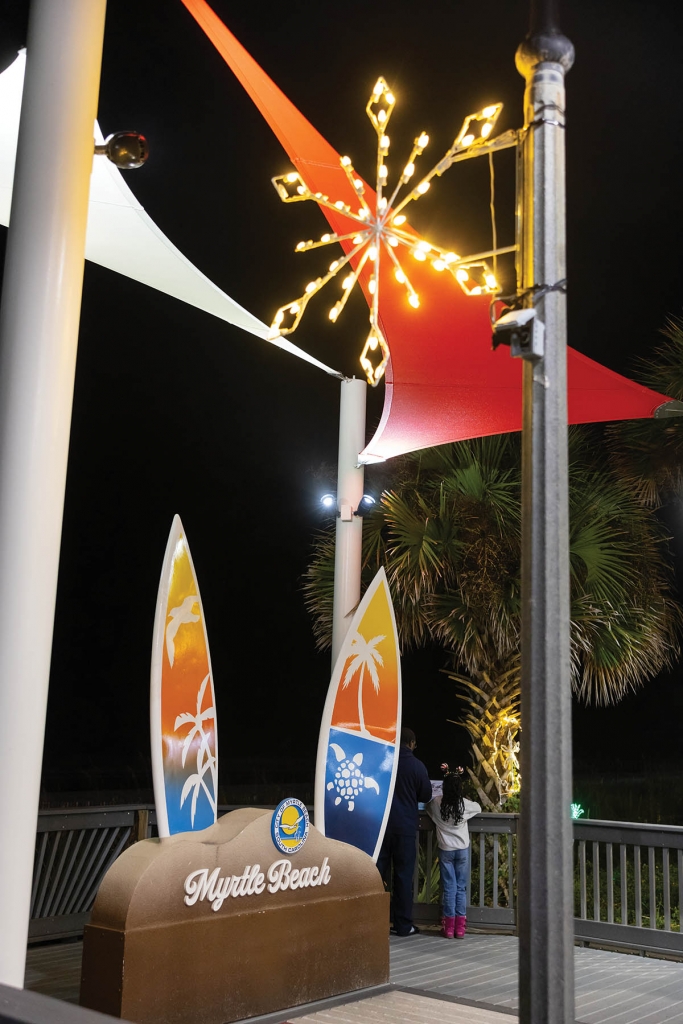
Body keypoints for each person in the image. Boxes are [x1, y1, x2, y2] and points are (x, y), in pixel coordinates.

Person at [377, 727, 432, 937]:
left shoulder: (383, 762)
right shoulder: (417, 766)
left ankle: (374, 921)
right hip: (406, 827)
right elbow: (426, 795)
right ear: (411, 743)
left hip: (381, 826)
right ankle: (403, 925)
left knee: (376, 875)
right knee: (403, 876)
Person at [427, 763, 481, 939]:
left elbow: (428, 809)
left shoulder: (437, 803)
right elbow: (479, 808)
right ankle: (460, 928)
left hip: (446, 850)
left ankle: (448, 928)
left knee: (449, 887)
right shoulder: (464, 805)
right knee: (461, 887)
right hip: (462, 850)